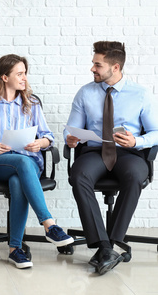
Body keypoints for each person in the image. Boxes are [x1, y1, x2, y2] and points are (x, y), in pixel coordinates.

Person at [0, 54, 73, 269]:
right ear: (4, 77)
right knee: (19, 166)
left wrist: (39, 143)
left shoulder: (31, 103)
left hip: (28, 162)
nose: (24, 79)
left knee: (17, 180)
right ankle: (49, 224)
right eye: (19, 74)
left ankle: (15, 250)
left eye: (25, 73)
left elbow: (48, 136)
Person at [65, 41, 158, 275]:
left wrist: (137, 142)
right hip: (95, 151)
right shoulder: (85, 93)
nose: (92, 69)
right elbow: (72, 129)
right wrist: (71, 138)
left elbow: (156, 132)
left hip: (128, 153)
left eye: (98, 65)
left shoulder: (141, 94)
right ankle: (105, 246)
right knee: (79, 175)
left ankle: (112, 242)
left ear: (115, 67)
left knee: (135, 175)